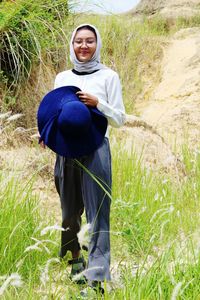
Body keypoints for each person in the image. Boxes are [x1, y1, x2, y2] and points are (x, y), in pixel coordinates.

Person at [43, 23, 125, 294]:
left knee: (98, 213)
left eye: (90, 41)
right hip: (65, 148)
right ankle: (75, 260)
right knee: (68, 213)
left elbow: (120, 119)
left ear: (97, 44)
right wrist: (45, 134)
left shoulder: (108, 76)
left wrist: (97, 103)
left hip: (96, 149)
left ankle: (96, 279)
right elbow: (53, 113)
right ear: (72, 44)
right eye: (79, 41)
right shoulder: (62, 76)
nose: (84, 46)